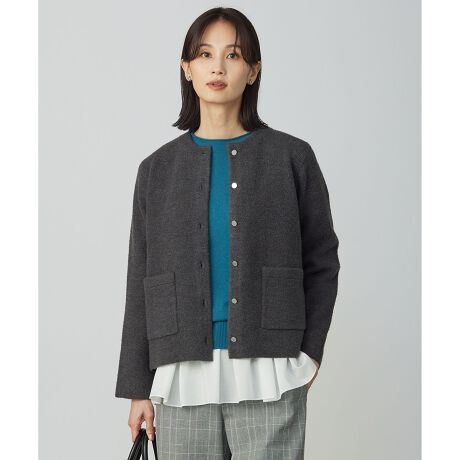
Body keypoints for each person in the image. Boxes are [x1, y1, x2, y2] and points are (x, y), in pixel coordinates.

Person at [115, 7, 340, 459]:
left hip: (269, 369)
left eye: (233, 55)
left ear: (253, 70)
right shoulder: (156, 170)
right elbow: (141, 278)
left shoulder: (292, 158)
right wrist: (138, 387)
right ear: (187, 68)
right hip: (181, 375)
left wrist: (309, 353)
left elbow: (321, 260)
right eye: (205, 54)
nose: (217, 67)